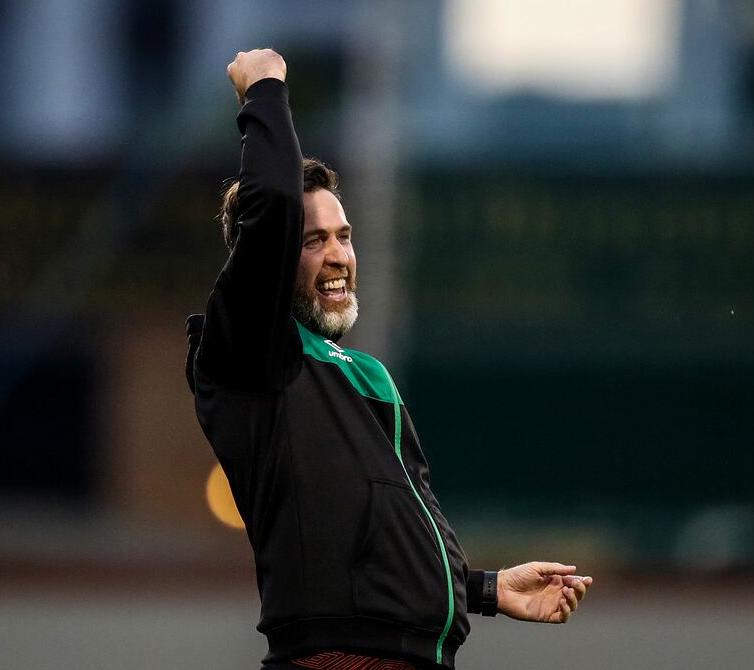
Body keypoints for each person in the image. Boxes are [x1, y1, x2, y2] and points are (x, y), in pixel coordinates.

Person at [185, 48, 593, 670]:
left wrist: (480, 590)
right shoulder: (250, 354)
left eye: (344, 236)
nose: (339, 255)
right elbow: (270, 211)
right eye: (313, 240)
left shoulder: (361, 372)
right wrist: (264, 92)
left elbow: (392, 526)